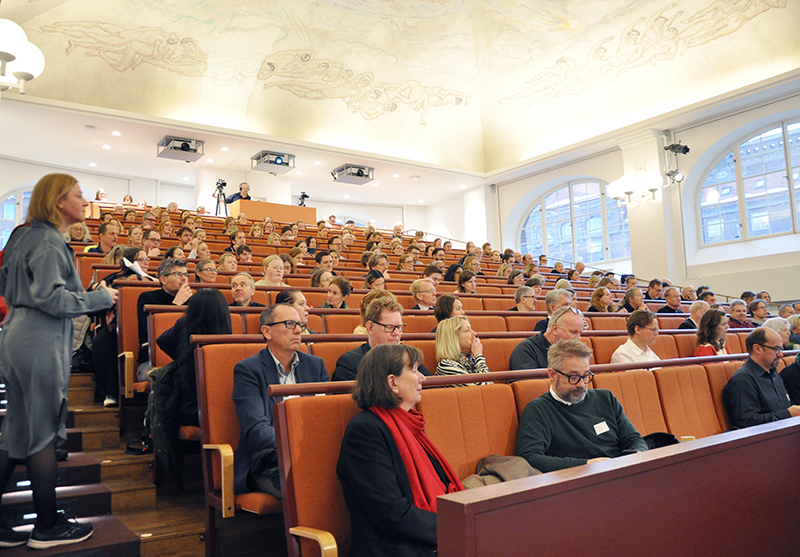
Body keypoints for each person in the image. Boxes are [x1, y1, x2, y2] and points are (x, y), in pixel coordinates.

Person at [0, 174, 117, 548]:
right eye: (78, 196)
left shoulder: (22, 235)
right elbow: (54, 300)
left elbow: (7, 284)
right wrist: (100, 299)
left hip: (15, 331)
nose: (84, 203)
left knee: (17, 429)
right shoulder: (51, 241)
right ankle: (47, 525)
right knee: (43, 431)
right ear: (57, 202)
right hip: (40, 337)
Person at [337, 344, 463, 557]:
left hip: (425, 541)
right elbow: (391, 514)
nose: (423, 378)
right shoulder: (365, 431)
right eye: (414, 370)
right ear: (392, 382)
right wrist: (456, 528)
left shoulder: (409, 425)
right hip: (396, 548)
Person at [233, 304, 329, 494]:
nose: (298, 330)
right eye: (289, 324)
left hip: (313, 454)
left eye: (299, 324)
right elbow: (256, 430)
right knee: (304, 485)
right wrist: (299, 446)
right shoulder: (248, 370)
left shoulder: (315, 365)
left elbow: (327, 418)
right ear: (267, 331)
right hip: (268, 461)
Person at [515, 340, 647, 473]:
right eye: (573, 377)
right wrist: (586, 464)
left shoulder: (605, 398)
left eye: (585, 376)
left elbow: (633, 438)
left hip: (620, 471)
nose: (582, 385)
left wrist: (638, 453)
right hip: (579, 480)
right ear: (553, 375)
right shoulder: (539, 410)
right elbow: (529, 457)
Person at [157, 288, 232, 430]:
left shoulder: (184, 324)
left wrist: (181, 357)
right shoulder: (225, 329)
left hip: (189, 408)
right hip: (214, 410)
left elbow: (162, 341)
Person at [333, 297, 432, 381]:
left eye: (399, 327)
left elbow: (433, 388)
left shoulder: (407, 357)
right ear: (370, 328)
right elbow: (350, 402)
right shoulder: (349, 363)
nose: (397, 333)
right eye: (389, 327)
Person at [722, 328, 800, 430]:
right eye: (776, 349)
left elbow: (786, 407)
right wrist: (788, 414)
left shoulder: (773, 373)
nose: (780, 354)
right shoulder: (743, 380)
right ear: (757, 349)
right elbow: (747, 422)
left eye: (781, 349)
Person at [136, 258, 193, 375]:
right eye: (178, 274)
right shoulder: (147, 298)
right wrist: (176, 304)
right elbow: (157, 334)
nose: (184, 278)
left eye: (186, 274)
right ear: (163, 279)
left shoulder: (192, 301)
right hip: (151, 360)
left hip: (186, 358)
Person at [509, 306, 584, 370]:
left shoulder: (571, 351)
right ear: (555, 329)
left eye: (580, 333)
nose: (578, 339)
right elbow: (528, 385)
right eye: (573, 332)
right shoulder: (525, 350)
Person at [435, 316, 489, 384]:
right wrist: (478, 355)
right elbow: (484, 389)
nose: (474, 333)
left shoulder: (470, 361)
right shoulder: (446, 366)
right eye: (467, 330)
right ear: (454, 339)